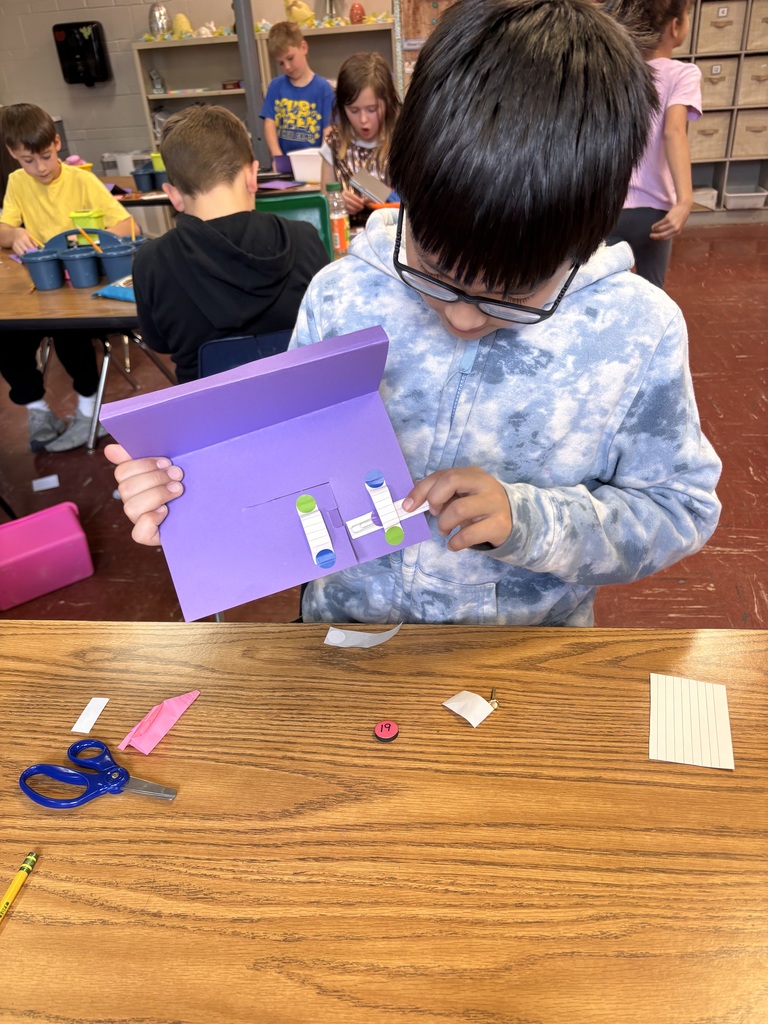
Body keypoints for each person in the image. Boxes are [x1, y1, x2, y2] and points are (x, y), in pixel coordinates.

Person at [107, 0, 721, 630]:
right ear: (407, 188)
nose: (460, 318)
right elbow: (285, 469)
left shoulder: (634, 333)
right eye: (432, 270)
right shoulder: (341, 294)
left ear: (587, 232)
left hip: (519, 660)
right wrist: (193, 502)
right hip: (344, 636)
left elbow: (678, 508)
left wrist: (531, 522)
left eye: (508, 295)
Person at [131, 105, 330, 385]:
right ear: (252, 176)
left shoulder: (151, 262)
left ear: (173, 195)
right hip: (303, 413)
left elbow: (159, 342)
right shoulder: (305, 239)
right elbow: (327, 326)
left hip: (210, 423)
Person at [0, 103, 133, 451]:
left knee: (70, 336)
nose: (40, 168)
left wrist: (91, 237)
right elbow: (4, 228)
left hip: (80, 289)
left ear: (57, 143)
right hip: (42, 286)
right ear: (13, 153)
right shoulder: (17, 182)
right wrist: (14, 235)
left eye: (45, 156)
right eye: (29, 160)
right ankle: (38, 410)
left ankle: (90, 411)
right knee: (7, 338)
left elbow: (125, 224)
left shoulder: (82, 180)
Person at [605, 0, 700, 288]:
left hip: (607, 208)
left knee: (603, 291)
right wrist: (684, 200)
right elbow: (674, 132)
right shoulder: (682, 73)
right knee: (652, 291)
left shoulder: (612, 71)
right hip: (654, 212)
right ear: (675, 26)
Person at [320, 52, 401, 226]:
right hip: (349, 241)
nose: (363, 120)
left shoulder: (402, 142)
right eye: (354, 111)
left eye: (371, 110)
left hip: (395, 241)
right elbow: (323, 201)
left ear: (387, 103)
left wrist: (388, 198)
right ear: (342, 108)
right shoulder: (334, 145)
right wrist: (337, 202)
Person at [260, 22, 335, 170]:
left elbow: (328, 131)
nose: (287, 67)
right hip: (285, 164)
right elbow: (269, 124)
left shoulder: (323, 89)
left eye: (290, 58)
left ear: (303, 47)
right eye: (281, 63)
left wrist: (323, 161)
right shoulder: (275, 86)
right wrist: (277, 157)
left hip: (314, 164)